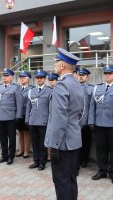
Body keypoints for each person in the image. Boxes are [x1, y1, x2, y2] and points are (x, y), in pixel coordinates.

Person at [44, 48, 84, 200]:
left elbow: (59, 118)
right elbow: (82, 114)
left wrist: (54, 145)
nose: (54, 65)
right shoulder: (77, 83)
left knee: (61, 181)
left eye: (56, 62)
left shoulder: (62, 85)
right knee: (71, 179)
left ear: (62, 66)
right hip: (74, 140)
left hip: (62, 144)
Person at [0, 68, 23, 165]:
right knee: (2, 137)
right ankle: (4, 155)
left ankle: (11, 156)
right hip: (0, 116)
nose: (4, 78)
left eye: (6, 76)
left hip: (10, 117)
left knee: (12, 138)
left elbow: (19, 103)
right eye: (3, 76)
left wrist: (18, 116)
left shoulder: (15, 88)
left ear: (11, 78)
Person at [26, 70, 52, 171]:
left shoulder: (50, 91)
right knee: (35, 143)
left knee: (42, 144)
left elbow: (51, 109)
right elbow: (29, 107)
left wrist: (50, 121)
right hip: (32, 121)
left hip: (43, 121)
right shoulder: (31, 91)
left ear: (45, 79)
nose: (39, 79)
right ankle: (36, 161)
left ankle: (42, 162)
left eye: (41, 78)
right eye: (37, 78)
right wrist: (27, 119)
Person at [78, 68, 94, 168]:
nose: (81, 77)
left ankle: (84, 159)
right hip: (75, 120)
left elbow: (92, 106)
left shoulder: (92, 88)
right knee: (76, 141)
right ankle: (77, 159)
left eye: (83, 75)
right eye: (80, 75)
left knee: (86, 141)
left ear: (87, 77)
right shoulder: (74, 87)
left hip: (87, 120)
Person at [16, 71, 33, 159]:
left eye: (24, 78)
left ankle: (26, 151)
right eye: (21, 78)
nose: (22, 79)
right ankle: (20, 150)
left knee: (27, 132)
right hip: (19, 114)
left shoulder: (31, 89)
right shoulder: (17, 88)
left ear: (28, 79)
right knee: (20, 132)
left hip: (26, 114)